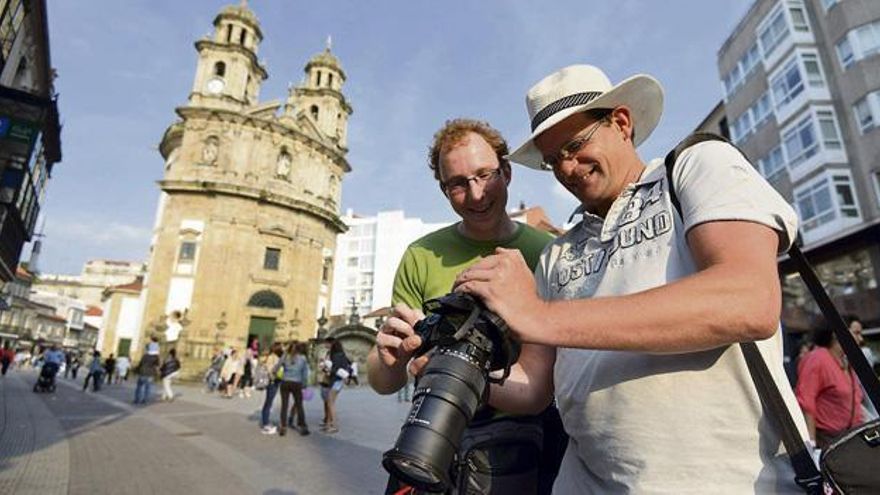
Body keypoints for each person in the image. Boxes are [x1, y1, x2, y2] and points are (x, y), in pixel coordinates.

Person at [406, 64, 813, 493]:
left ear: (621, 122)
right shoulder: (557, 252)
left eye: (575, 145)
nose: (566, 168)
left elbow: (747, 300)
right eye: (551, 160)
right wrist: (452, 371)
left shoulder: (695, 167)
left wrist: (537, 314)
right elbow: (534, 389)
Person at [368, 119, 567, 493]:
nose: (476, 194)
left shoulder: (547, 254)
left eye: (484, 175)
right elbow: (383, 381)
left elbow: (546, 383)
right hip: (428, 437)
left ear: (506, 172)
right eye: (458, 183)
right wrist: (389, 359)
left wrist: (450, 370)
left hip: (515, 453)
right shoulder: (420, 256)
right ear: (444, 191)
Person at [273, 341, 311, 436]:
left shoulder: (285, 356)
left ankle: (283, 427)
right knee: (299, 405)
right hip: (297, 383)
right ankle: (303, 427)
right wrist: (305, 385)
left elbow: (276, 368)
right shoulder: (303, 358)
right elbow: (305, 374)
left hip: (285, 382)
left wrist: (276, 374)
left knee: (284, 405)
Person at [321, 339, 349, 434]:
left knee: (330, 403)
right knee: (330, 402)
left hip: (336, 381)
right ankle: (328, 424)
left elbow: (335, 369)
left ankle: (334, 425)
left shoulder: (336, 356)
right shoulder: (342, 355)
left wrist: (328, 371)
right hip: (339, 381)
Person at [258, 343, 283, 434]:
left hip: (274, 382)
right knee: (268, 403)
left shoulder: (275, 356)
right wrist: (277, 373)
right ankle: (265, 424)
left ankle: (266, 422)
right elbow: (270, 370)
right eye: (281, 346)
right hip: (272, 382)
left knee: (269, 402)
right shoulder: (272, 357)